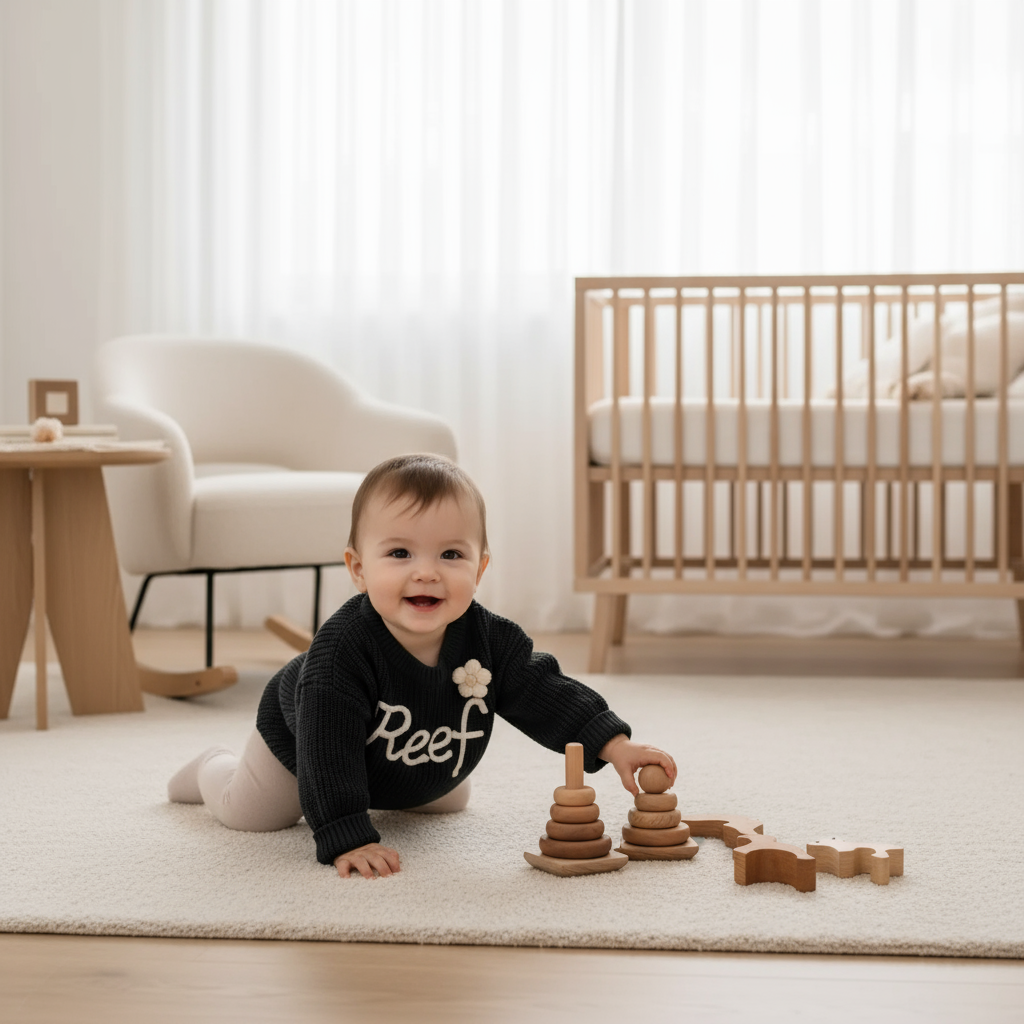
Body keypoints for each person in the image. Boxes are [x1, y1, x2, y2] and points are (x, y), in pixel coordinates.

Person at [168, 453, 676, 879]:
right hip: (302, 739)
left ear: (479, 568)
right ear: (359, 569)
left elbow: (543, 690)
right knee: (252, 814)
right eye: (400, 553)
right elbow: (328, 751)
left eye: (451, 554)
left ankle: (409, 783)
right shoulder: (340, 654)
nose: (427, 572)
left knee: (449, 798)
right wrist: (347, 834)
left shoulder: (490, 639)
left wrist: (613, 743)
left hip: (410, 759)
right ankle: (212, 766)